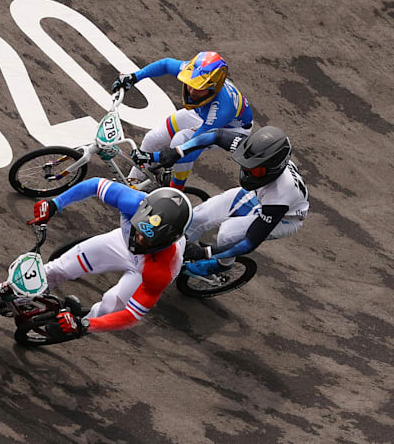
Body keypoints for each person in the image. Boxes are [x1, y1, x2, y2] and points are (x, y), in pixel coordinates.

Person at [26, 182, 193, 339]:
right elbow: (94, 184)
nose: (140, 240)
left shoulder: (162, 270)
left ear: (167, 241)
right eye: (139, 230)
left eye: (149, 240)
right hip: (121, 242)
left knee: (109, 306)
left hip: (145, 268)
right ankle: (20, 294)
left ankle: (76, 327)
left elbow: (130, 316)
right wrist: (55, 204)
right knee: (59, 268)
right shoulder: (132, 201)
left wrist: (83, 325)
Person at [147, 126, 309, 276]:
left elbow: (249, 243)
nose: (248, 173)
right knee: (196, 217)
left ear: (273, 169)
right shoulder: (253, 152)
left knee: (228, 233)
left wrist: (205, 253)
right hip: (258, 194)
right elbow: (216, 135)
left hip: (284, 217)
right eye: (246, 166)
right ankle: (173, 252)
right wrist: (177, 152)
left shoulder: (281, 193)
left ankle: (222, 265)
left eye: (255, 170)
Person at [110, 51, 252, 191]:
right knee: (152, 139)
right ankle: (133, 181)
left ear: (212, 88)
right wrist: (134, 77)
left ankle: (175, 191)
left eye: (198, 88)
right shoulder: (195, 71)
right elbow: (165, 64)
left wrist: (153, 157)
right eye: (191, 84)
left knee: (180, 142)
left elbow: (193, 148)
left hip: (228, 129)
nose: (191, 92)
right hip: (202, 114)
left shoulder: (222, 109)